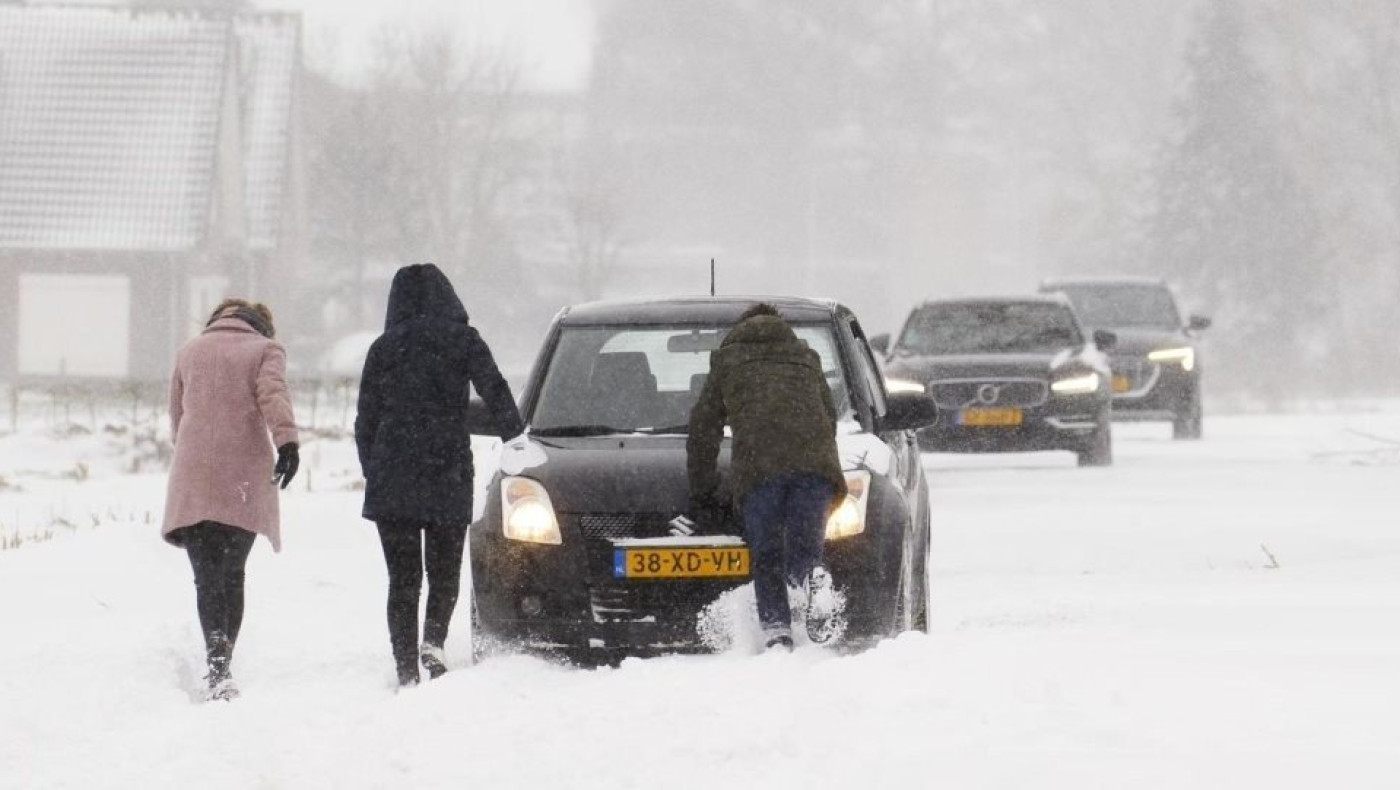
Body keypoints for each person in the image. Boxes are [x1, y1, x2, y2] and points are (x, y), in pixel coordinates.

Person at [355, 263, 533, 688]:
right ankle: (433, 643)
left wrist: (373, 468)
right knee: (444, 570)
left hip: (393, 475)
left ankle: (404, 664)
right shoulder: (463, 340)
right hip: (446, 469)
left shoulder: (383, 348)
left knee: (402, 579)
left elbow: (366, 419)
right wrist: (514, 433)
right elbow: (495, 386)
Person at [687, 303, 847, 652]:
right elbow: (829, 416)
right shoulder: (806, 357)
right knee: (805, 549)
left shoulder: (728, 360)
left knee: (767, 553)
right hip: (815, 468)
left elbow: (704, 429)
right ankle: (812, 576)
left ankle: (777, 633)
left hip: (761, 470)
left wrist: (703, 488)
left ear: (742, 327)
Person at [162, 299, 299, 701]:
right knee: (233, 573)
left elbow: (177, 418)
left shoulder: (189, 351)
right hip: (242, 478)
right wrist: (287, 442)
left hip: (194, 476)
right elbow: (273, 395)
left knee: (206, 577)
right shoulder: (265, 350)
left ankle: (216, 661)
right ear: (261, 325)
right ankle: (224, 665)